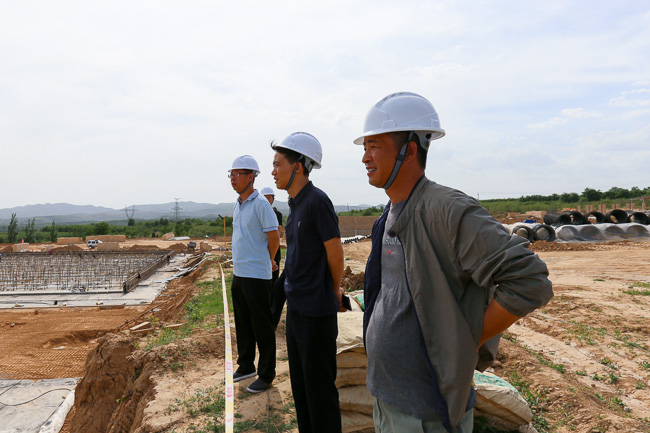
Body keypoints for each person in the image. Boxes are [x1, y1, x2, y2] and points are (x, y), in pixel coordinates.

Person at [356, 92, 554, 433]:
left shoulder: (446, 210)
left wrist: (464, 340)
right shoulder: (388, 215)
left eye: (374, 146)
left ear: (409, 151)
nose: (364, 157)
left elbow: (529, 280)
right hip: (388, 399)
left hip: (427, 413)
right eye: (364, 147)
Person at [271, 132, 345, 433]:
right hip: (297, 313)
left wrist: (332, 290)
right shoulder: (295, 205)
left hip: (316, 315)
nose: (273, 171)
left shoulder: (317, 202)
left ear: (298, 166)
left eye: (278, 164)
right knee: (301, 391)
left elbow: (336, 254)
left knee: (319, 396)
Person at [229, 155, 280, 394]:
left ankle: (267, 374)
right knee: (243, 323)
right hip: (239, 273)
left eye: (237, 174)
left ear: (251, 177)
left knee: (262, 326)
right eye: (230, 174)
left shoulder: (261, 204)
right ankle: (246, 365)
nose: (232, 178)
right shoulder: (238, 204)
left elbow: (274, 236)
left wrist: (268, 260)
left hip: (257, 276)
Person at [260, 186, 286, 329]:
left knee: (274, 283)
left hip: (274, 252)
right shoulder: (258, 212)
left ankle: (271, 315)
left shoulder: (277, 214)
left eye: (271, 197)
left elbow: (277, 232)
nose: (269, 199)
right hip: (261, 253)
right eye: (266, 197)